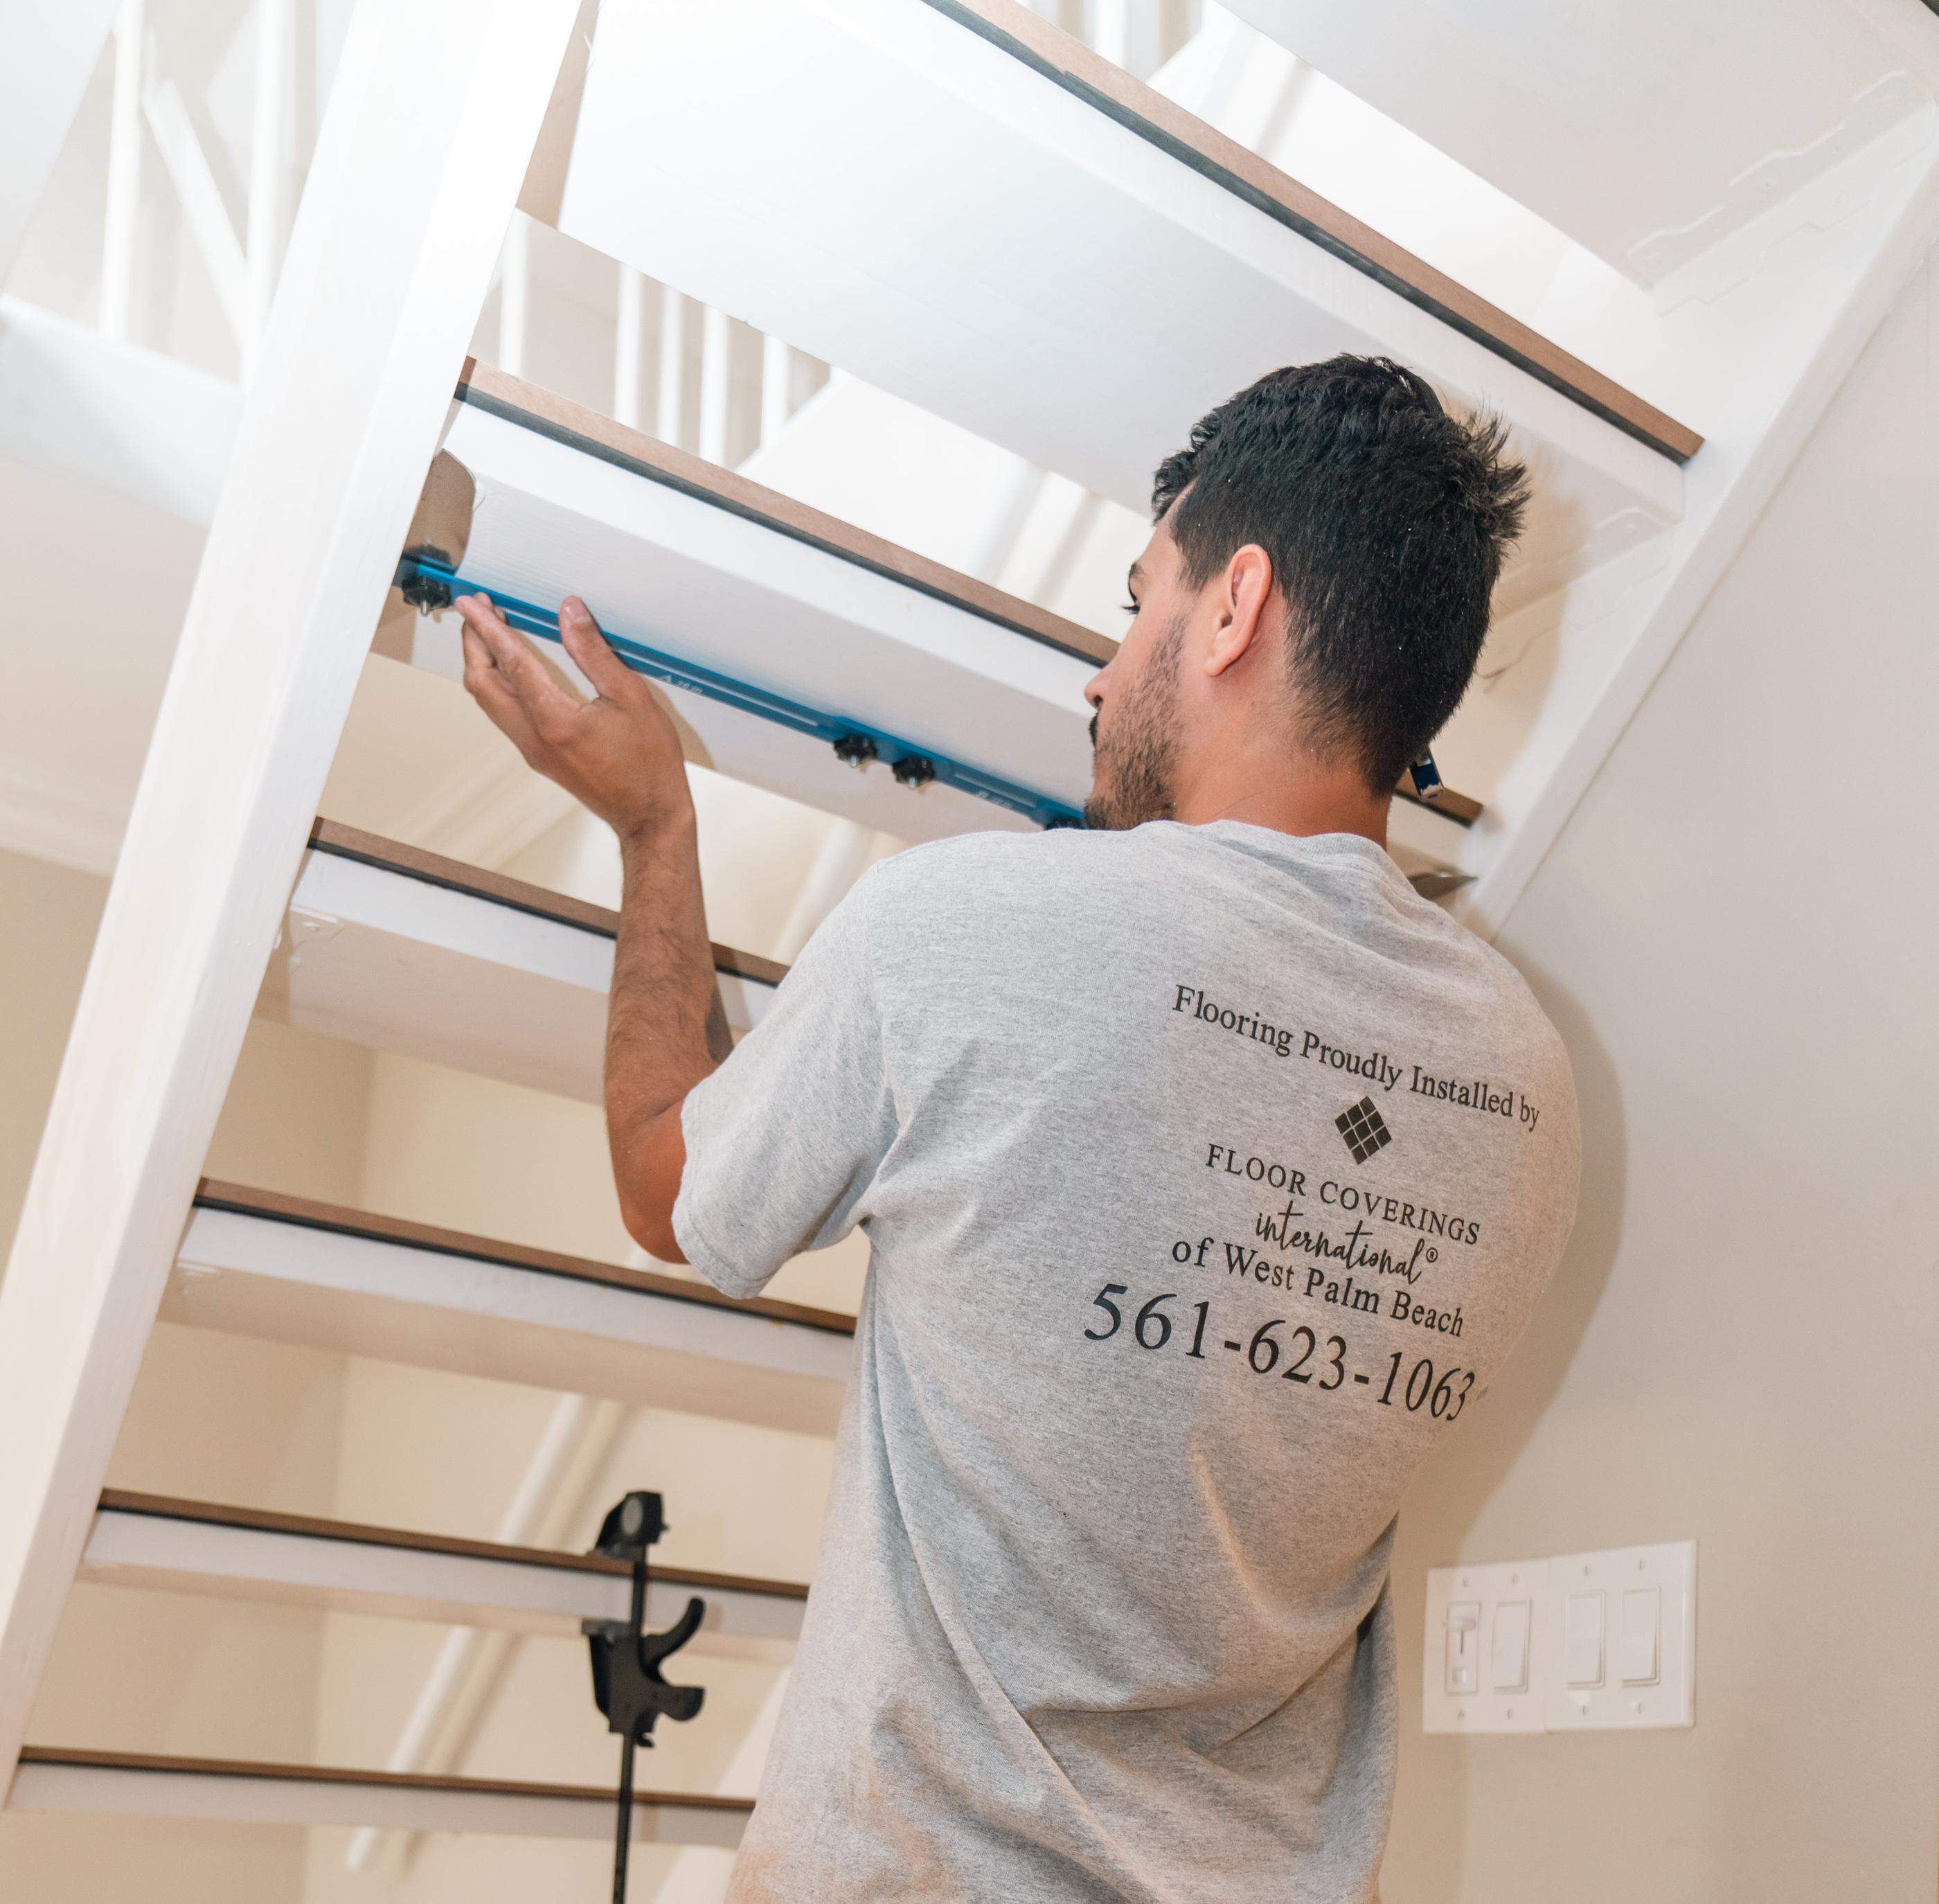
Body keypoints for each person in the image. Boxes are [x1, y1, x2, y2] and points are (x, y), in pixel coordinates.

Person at [454, 354, 1580, 1903]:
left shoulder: (965, 932)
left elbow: (673, 1185)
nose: (1103, 675)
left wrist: (656, 829)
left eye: (1138, 603)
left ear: (1234, 606)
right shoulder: (1521, 1078)